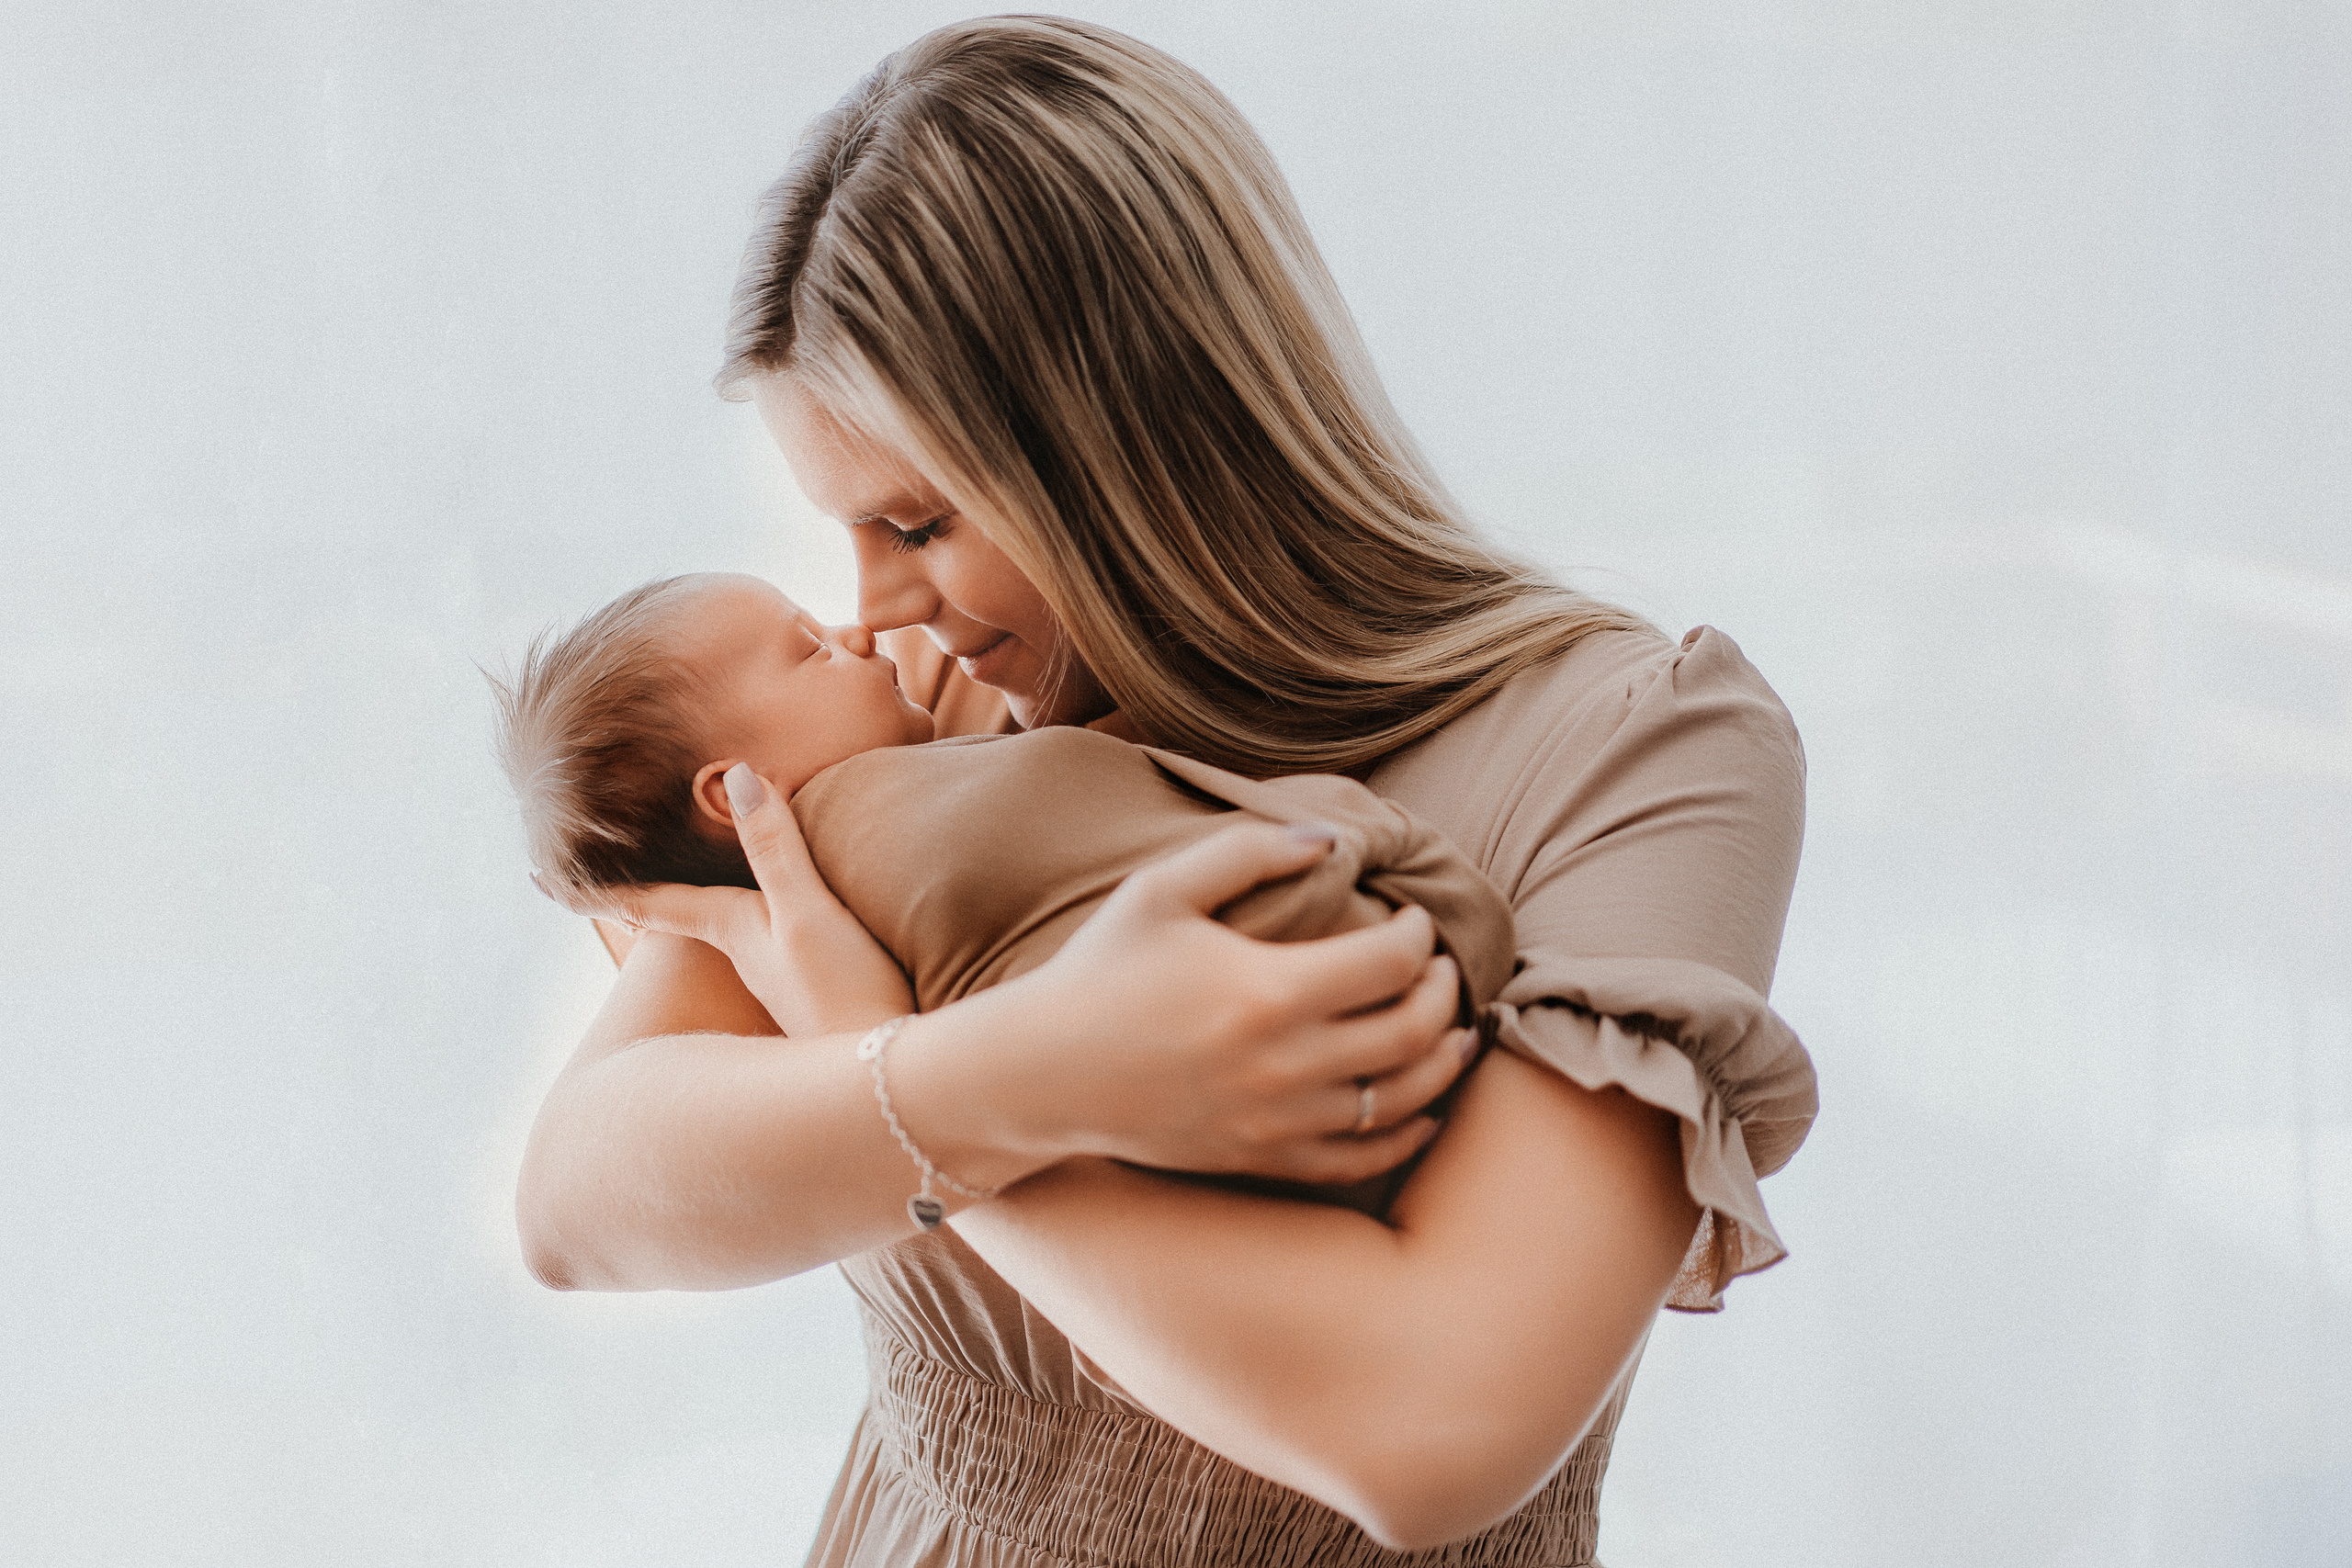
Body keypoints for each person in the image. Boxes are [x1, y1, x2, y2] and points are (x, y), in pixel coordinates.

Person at [515, 16, 1816, 1564]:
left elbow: (1433, 1429)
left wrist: (927, 1068)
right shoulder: (922, 712)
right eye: (847, 531)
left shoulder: (1634, 748)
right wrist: (1003, 1074)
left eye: (918, 524)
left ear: (1135, 443)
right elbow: (580, 1195)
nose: (871, 607)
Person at [488, 570, 1510, 1210]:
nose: (860, 632)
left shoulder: (816, 887)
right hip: (1373, 1003)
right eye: (808, 648)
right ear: (729, 792)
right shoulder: (890, 823)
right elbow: (563, 1208)